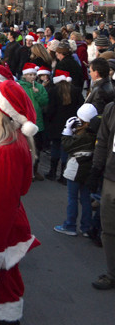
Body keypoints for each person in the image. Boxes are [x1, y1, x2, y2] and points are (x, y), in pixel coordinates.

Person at [0, 80, 40, 324]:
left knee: (1, 287)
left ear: (3, 108)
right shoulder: (8, 143)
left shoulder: (6, 150)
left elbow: (0, 205)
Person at [54, 103, 99, 239]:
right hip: (89, 169)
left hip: (76, 168)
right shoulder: (96, 132)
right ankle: (86, 227)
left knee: (72, 198)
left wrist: (67, 130)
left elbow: (67, 146)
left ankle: (70, 225)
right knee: (85, 199)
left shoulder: (84, 136)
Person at [88, 97, 115, 289]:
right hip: (111, 178)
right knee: (109, 230)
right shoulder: (111, 108)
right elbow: (103, 141)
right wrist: (96, 169)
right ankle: (112, 273)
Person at [44, 70, 84, 182]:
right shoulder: (75, 91)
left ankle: (52, 172)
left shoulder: (53, 91)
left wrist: (49, 121)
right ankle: (63, 175)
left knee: (55, 148)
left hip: (55, 125)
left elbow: (50, 110)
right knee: (65, 150)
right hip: (70, 125)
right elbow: (81, 106)